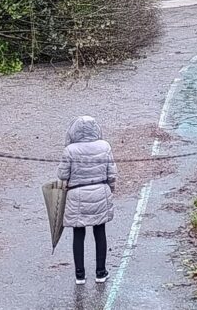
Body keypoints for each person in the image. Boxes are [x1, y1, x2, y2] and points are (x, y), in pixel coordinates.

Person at [58, 116, 117, 285]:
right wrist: (109, 190)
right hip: (100, 191)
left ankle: (80, 275)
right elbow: (112, 173)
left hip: (76, 195)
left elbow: (62, 175)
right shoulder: (105, 146)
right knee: (100, 232)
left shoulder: (69, 150)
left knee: (78, 233)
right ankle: (100, 272)